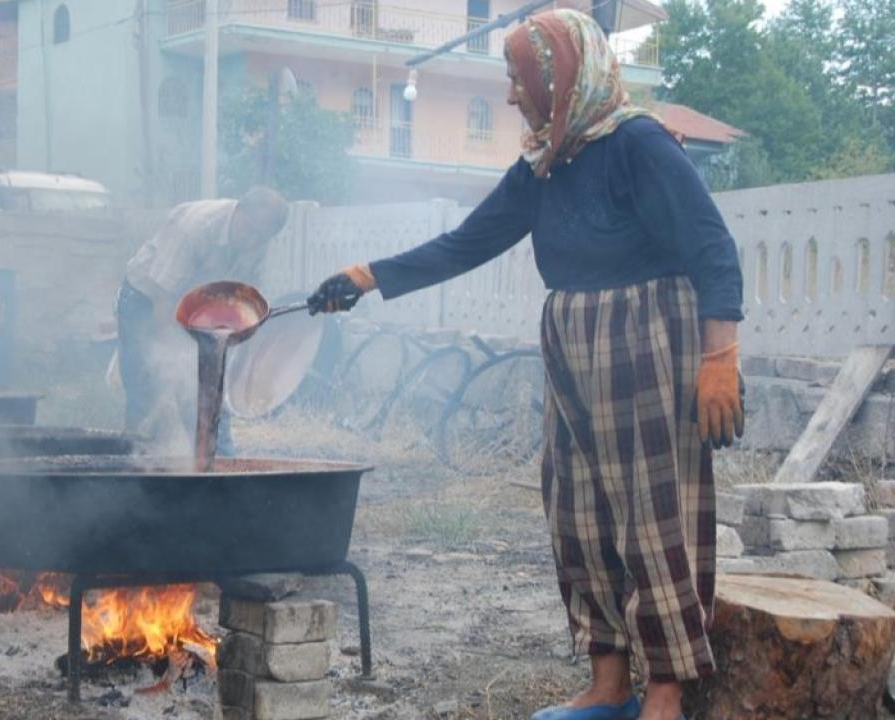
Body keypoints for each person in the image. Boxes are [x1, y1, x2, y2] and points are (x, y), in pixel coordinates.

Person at [307, 10, 743, 720]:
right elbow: (466, 242)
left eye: (517, 77)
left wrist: (720, 355)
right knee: (578, 510)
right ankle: (609, 683)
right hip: (572, 340)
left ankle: (665, 692)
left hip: (645, 337)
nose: (511, 93)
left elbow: (713, 249)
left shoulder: (641, 146)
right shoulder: (549, 160)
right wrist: (365, 277)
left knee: (652, 517)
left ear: (558, 76)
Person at [117, 186, 290, 450]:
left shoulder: (260, 243)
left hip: (201, 308)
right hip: (146, 299)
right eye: (251, 230)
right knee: (146, 388)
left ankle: (217, 468)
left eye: (262, 237)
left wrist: (226, 358)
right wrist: (169, 359)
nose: (253, 241)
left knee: (208, 393)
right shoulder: (195, 227)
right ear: (239, 211)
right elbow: (162, 299)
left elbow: (244, 304)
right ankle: (137, 468)